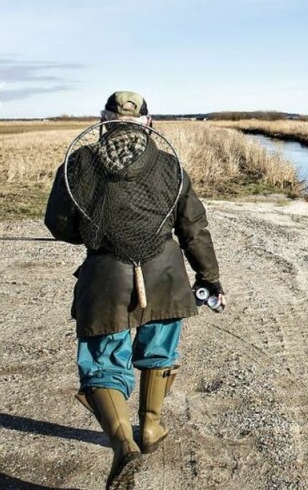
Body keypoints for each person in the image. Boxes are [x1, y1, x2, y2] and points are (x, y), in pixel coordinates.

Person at [44, 91, 225, 489]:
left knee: (104, 363)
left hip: (105, 278)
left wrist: (96, 237)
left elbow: (59, 224)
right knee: (159, 351)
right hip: (166, 277)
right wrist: (209, 278)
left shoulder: (79, 163)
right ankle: (151, 429)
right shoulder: (167, 165)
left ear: (103, 120)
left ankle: (124, 445)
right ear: (148, 123)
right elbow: (193, 228)